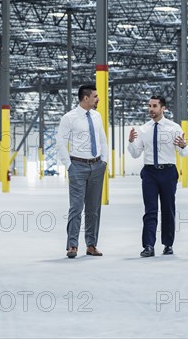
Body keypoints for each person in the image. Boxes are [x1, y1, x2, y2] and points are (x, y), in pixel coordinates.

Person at [128, 95, 188, 258]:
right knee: (150, 210)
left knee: (168, 209)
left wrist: (183, 146)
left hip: (168, 172)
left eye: (154, 106)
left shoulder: (174, 128)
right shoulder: (144, 129)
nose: (151, 109)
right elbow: (135, 154)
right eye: (149, 106)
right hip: (149, 173)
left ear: (163, 108)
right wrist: (131, 142)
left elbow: (183, 153)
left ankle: (168, 244)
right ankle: (148, 245)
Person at [56, 84, 108, 259]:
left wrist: (104, 161)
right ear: (86, 98)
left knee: (93, 209)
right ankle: (72, 245)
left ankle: (91, 245)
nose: (98, 99)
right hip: (77, 166)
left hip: (97, 166)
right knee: (76, 207)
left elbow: (102, 139)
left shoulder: (97, 116)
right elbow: (60, 143)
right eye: (95, 96)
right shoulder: (69, 118)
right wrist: (69, 165)